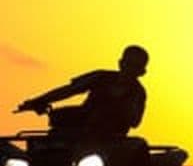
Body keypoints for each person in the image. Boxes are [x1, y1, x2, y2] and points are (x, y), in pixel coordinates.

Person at [16, 45, 149, 137]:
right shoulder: (100, 77)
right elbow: (69, 90)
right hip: (78, 131)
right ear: (120, 63)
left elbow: (135, 122)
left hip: (110, 141)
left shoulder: (138, 93)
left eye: (135, 66)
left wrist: (123, 109)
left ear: (142, 72)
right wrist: (39, 101)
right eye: (128, 63)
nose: (129, 69)